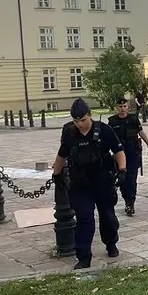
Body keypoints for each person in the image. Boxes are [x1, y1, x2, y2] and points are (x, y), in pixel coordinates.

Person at [53, 99, 126, 270]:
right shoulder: (69, 134)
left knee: (107, 215)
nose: (80, 124)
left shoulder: (104, 130)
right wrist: (56, 175)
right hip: (80, 184)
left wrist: (122, 170)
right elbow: (61, 155)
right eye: (76, 121)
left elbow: (118, 150)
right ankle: (84, 256)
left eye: (83, 120)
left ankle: (111, 243)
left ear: (90, 116)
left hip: (103, 180)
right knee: (84, 219)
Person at [109, 97, 148, 216]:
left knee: (132, 178)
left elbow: (141, 132)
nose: (122, 109)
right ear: (116, 108)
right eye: (120, 106)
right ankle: (126, 199)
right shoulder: (112, 121)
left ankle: (130, 203)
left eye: (124, 106)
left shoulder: (133, 119)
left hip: (133, 152)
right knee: (122, 179)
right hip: (119, 154)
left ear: (128, 107)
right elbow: (109, 138)